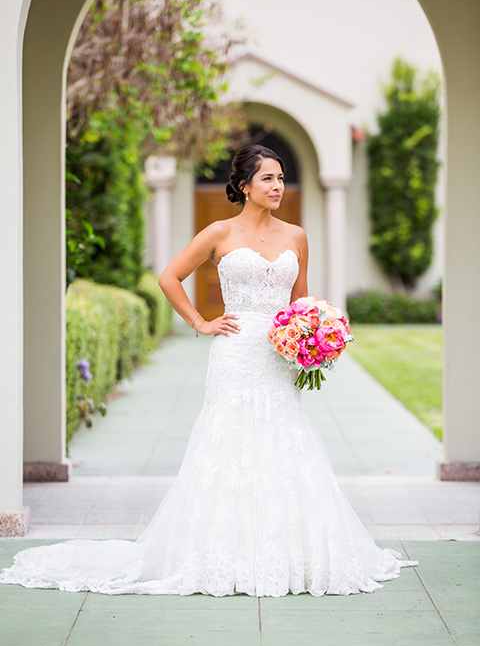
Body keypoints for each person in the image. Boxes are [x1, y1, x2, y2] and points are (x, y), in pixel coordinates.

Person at [0, 144, 418, 597]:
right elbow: (169, 277)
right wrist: (200, 321)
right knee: (229, 441)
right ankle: (219, 555)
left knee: (283, 436)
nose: (278, 186)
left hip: (278, 357)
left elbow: (301, 300)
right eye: (268, 179)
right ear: (243, 185)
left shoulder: (297, 235)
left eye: (281, 178)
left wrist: (312, 336)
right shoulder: (218, 232)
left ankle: (290, 555)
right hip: (235, 354)